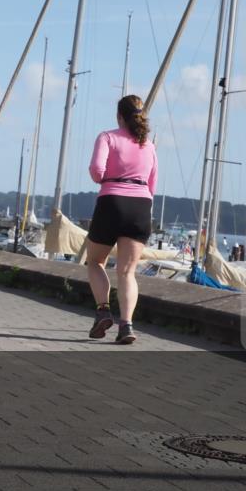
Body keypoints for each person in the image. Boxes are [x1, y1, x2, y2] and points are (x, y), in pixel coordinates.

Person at [84, 95, 158, 345]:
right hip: (141, 206)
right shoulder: (149, 145)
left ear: (119, 116)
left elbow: (97, 171)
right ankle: (126, 325)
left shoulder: (107, 137)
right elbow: (152, 182)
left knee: (95, 261)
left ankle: (103, 311)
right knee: (127, 272)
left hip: (112, 202)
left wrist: (106, 177)